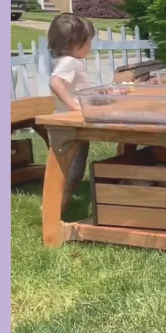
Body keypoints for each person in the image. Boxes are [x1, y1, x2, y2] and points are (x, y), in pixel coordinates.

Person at [47, 13, 96, 211]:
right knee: (71, 169)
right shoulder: (70, 62)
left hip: (70, 121)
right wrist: (74, 106)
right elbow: (55, 82)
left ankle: (59, 203)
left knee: (70, 166)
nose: (90, 46)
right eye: (89, 42)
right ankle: (58, 206)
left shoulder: (66, 60)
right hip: (70, 123)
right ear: (77, 44)